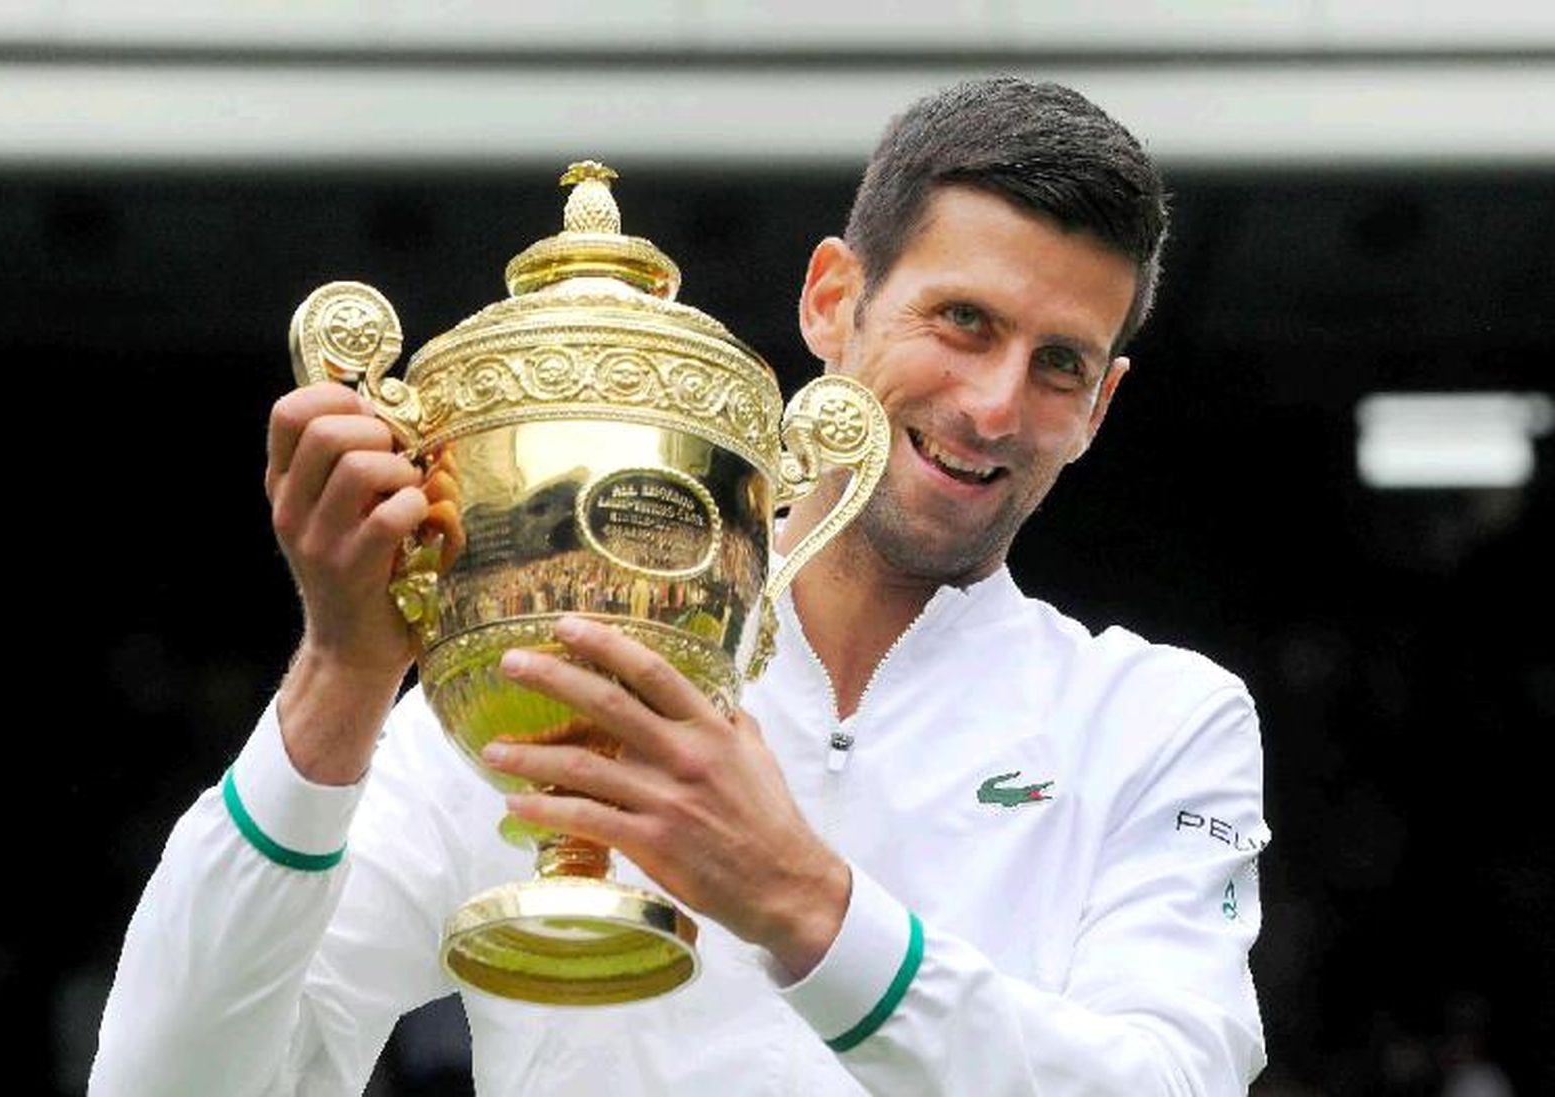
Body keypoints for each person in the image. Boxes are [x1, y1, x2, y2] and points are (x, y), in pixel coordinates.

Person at [91, 77, 1270, 1095]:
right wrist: (341, 674)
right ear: (829, 301)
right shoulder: (554, 674)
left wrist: (804, 903)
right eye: (961, 320)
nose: (995, 405)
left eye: (1058, 364)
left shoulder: (1158, 718)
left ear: (1100, 407)